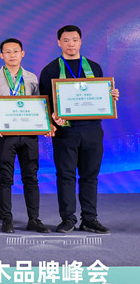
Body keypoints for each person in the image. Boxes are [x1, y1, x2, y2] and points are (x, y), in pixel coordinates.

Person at [39, 25, 119, 234]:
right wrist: (51, 118)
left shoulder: (94, 67)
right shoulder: (50, 70)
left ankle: (89, 219)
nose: (71, 44)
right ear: (59, 42)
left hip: (92, 129)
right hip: (65, 132)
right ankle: (68, 219)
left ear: (80, 41)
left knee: (90, 175)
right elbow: (44, 102)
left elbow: (100, 96)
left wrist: (111, 97)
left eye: (74, 40)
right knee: (65, 176)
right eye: (66, 40)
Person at [0, 38, 51, 234]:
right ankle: (6, 219)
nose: (12, 55)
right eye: (8, 52)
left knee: (31, 177)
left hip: (29, 135)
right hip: (4, 135)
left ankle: (34, 219)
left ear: (22, 53)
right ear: (1, 55)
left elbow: (40, 105)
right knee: (5, 177)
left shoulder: (32, 78)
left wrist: (45, 124)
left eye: (16, 51)